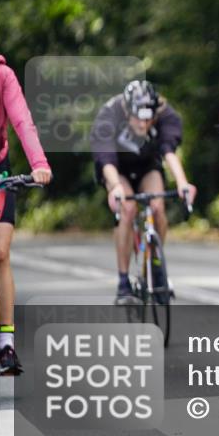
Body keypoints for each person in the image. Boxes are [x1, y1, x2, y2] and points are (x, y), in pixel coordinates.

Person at [90, 80, 196, 305]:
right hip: (117, 169)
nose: (143, 123)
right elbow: (105, 159)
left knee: (157, 206)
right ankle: (123, 281)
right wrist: (115, 187)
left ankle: (155, 266)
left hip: (147, 166)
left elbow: (168, 152)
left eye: (148, 119)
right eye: (138, 118)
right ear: (127, 111)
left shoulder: (165, 114)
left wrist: (182, 183)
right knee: (128, 209)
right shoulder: (109, 115)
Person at [0, 54, 53, 376]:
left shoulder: (1, 75)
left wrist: (38, 163)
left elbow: (22, 120)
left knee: (0, 251)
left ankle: (6, 344)